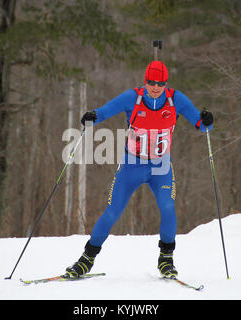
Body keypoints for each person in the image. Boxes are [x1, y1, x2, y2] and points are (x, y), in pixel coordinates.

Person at [65, 60, 213, 279]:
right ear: (145, 81)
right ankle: (86, 259)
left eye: (160, 83)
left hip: (161, 166)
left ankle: (166, 259)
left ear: (166, 83)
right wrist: (92, 116)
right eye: (151, 82)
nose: (155, 87)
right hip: (131, 165)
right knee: (112, 211)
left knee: (167, 207)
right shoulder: (132, 97)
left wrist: (207, 120)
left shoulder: (176, 99)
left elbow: (202, 126)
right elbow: (105, 111)